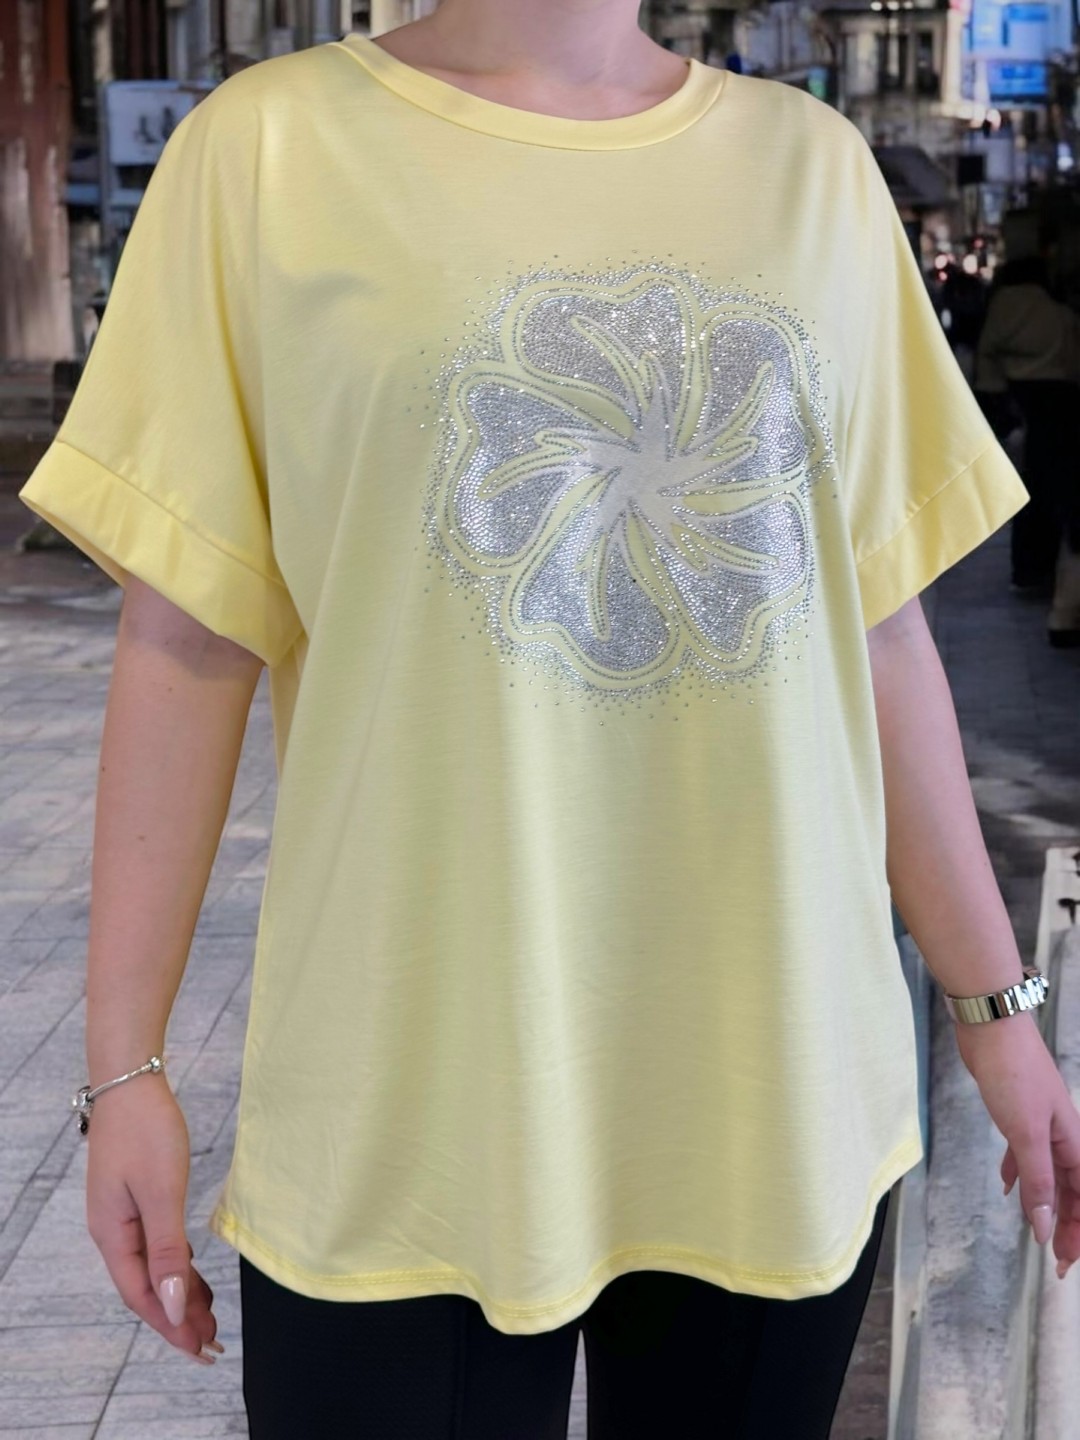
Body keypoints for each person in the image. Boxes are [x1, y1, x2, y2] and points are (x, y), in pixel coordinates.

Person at [18, 1, 1080, 1435]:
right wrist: (125, 1066)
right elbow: (184, 640)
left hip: (773, 1081)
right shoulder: (265, 152)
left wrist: (999, 1017)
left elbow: (879, 634)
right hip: (409, 1089)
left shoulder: (813, 168)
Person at [974, 249, 1080, 608]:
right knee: (1052, 485)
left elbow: (988, 348)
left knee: (1028, 486)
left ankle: (1028, 569)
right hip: (1058, 399)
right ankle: (1045, 569)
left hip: (1014, 397)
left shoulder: (1004, 303)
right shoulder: (1057, 310)